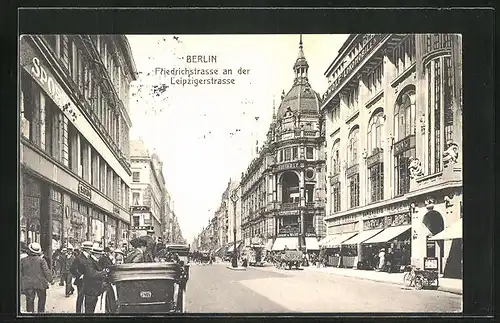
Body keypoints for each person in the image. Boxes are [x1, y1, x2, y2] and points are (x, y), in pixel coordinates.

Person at [20, 242, 53, 313]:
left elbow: (20, 272)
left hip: (28, 283)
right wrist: (50, 280)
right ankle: (40, 314)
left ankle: (30, 314)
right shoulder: (41, 260)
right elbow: (46, 271)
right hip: (40, 283)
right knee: (42, 298)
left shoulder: (23, 260)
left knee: (30, 299)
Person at [70, 241, 93, 313]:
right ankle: (78, 313)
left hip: (89, 281)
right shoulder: (78, 258)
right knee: (80, 297)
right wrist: (79, 275)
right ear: (85, 249)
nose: (90, 251)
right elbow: (72, 269)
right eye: (89, 249)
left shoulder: (91, 258)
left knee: (88, 298)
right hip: (81, 281)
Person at [83, 245, 107, 313]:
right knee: (89, 308)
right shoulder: (90, 262)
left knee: (91, 307)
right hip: (91, 289)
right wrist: (103, 273)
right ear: (96, 254)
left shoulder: (94, 260)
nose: (100, 256)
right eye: (99, 254)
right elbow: (91, 274)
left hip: (93, 289)